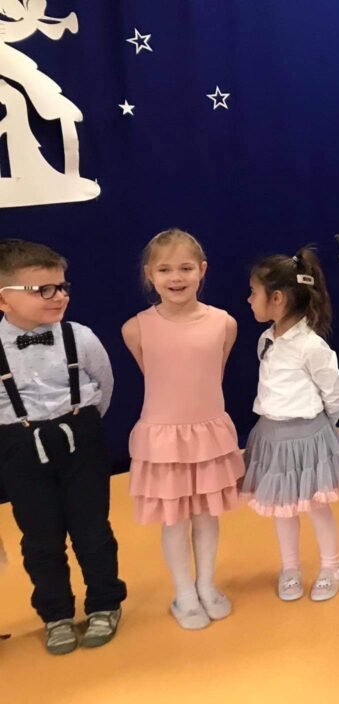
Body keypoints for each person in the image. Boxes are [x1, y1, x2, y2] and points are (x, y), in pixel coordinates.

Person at [0, 239, 126, 654]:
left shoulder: (80, 337)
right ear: (3, 299)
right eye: (43, 290)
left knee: (93, 530)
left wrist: (79, 424)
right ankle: (55, 614)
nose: (59, 296)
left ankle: (104, 603)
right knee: (40, 539)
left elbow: (103, 386)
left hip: (80, 440)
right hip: (20, 447)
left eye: (62, 286)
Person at [124, 229, 244, 630]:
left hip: (208, 435)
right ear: (149, 274)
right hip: (164, 439)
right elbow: (155, 375)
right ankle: (184, 593)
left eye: (185, 268)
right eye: (165, 269)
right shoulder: (136, 328)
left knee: (208, 516)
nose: (176, 277)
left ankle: (206, 583)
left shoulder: (223, 323)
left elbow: (214, 373)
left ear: (202, 270)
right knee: (174, 519)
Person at [240, 247, 339, 604]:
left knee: (317, 506)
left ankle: (331, 566)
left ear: (277, 298)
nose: (249, 300)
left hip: (308, 436)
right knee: (283, 508)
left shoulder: (311, 346)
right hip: (272, 437)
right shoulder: (266, 340)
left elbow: (335, 391)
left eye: (253, 293)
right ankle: (290, 567)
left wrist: (323, 429)